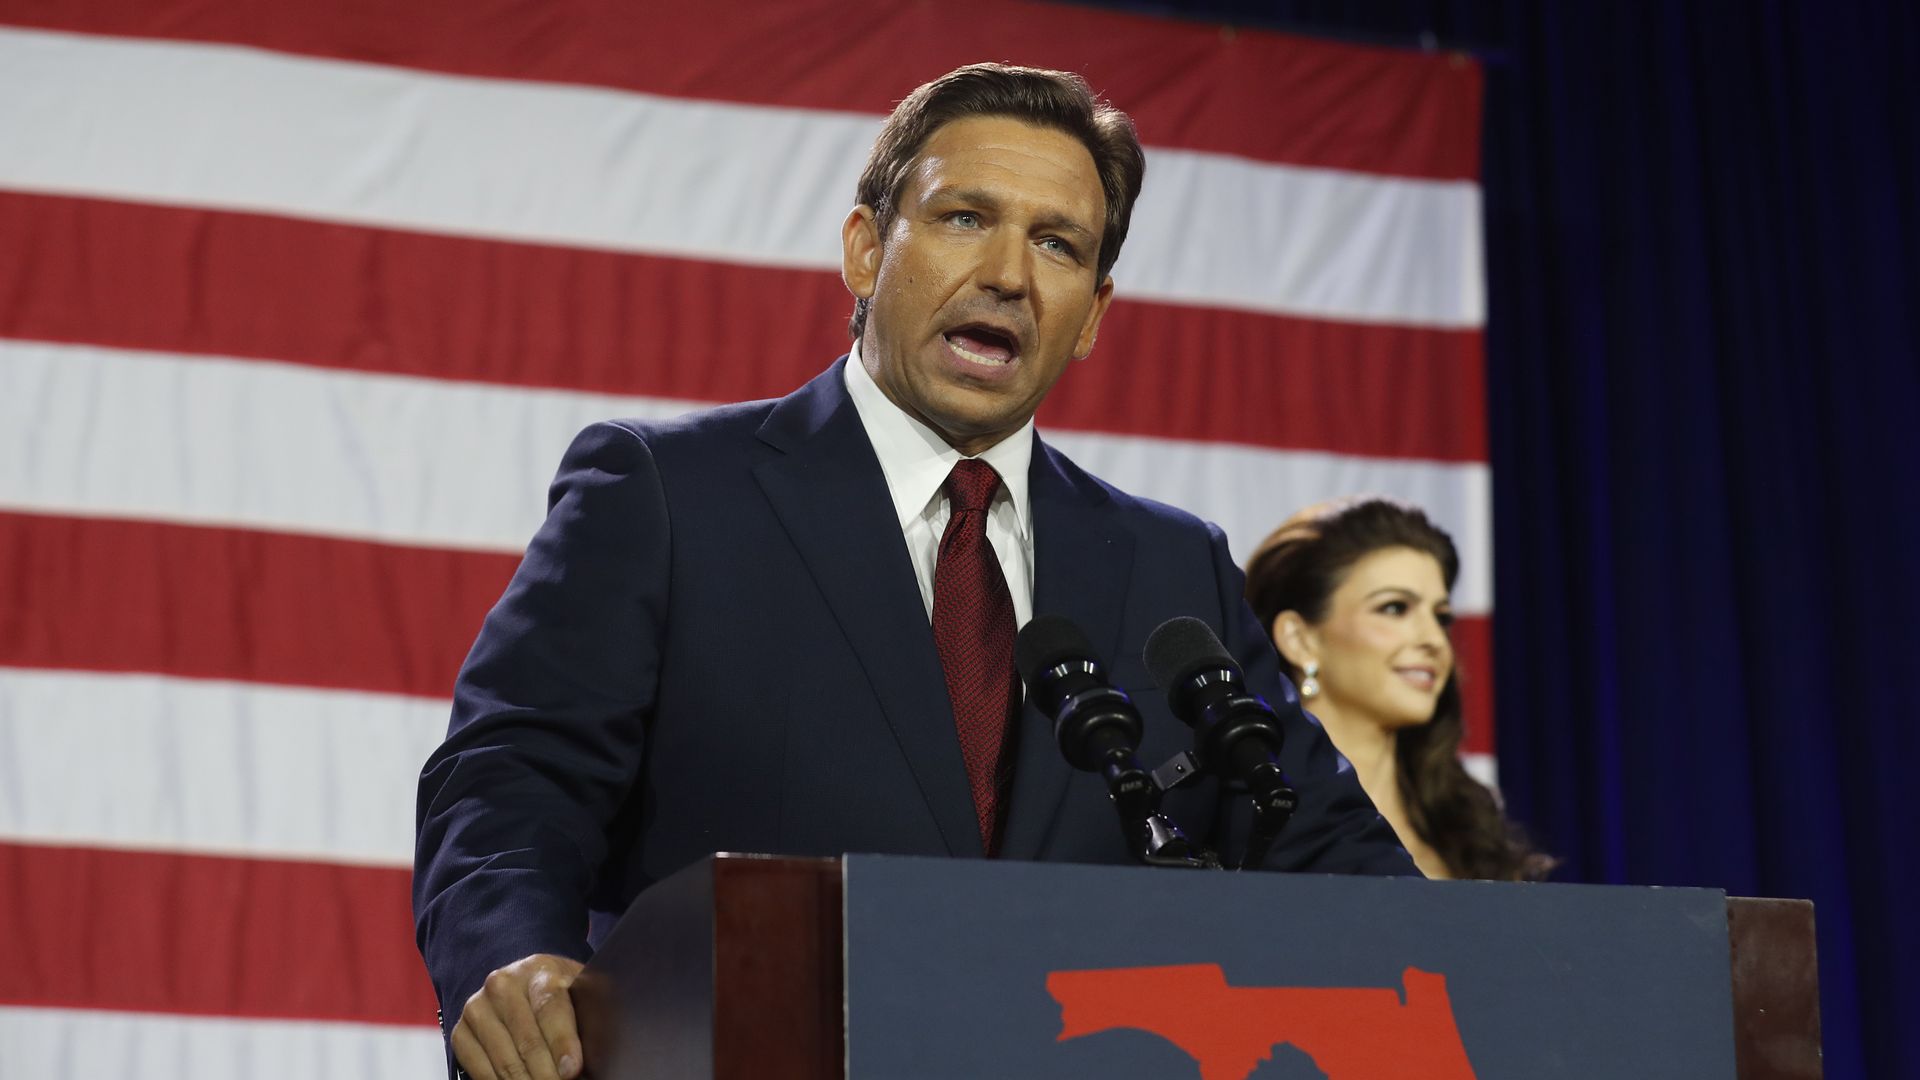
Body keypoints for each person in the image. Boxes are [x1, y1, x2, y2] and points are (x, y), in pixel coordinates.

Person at [414, 63, 1415, 1080]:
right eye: (965, 218)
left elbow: (1335, 861)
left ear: (1094, 313)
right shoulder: (669, 494)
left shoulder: (1172, 568)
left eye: (1057, 244)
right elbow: (512, 784)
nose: (1010, 276)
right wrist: (514, 956)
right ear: (864, 250)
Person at [1243, 497, 1554, 882]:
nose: (1434, 640)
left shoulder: (1472, 833)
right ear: (1299, 639)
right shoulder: (1248, 821)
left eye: (1441, 617)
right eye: (1394, 608)